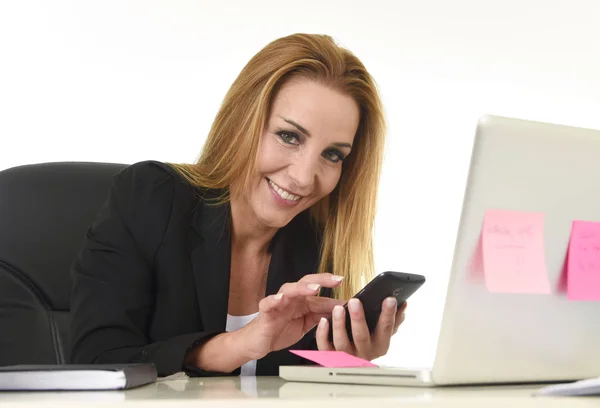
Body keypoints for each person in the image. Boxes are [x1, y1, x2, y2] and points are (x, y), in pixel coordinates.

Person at [69, 33, 407, 378]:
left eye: (333, 154)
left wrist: (345, 363)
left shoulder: (317, 243)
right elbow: (95, 364)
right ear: (241, 123)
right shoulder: (152, 197)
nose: (305, 178)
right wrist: (240, 344)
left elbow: (291, 388)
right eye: (289, 136)